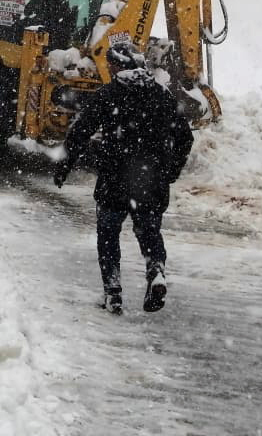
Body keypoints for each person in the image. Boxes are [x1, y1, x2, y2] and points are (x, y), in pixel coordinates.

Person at [53, 40, 193, 313]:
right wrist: (171, 169)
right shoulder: (161, 94)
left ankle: (113, 291)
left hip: (114, 178)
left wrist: (65, 165)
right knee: (149, 231)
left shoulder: (109, 94)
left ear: (117, 65)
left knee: (108, 233)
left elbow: (81, 131)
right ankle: (156, 272)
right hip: (151, 179)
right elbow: (185, 137)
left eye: (110, 64)